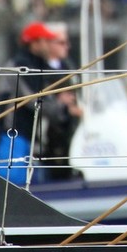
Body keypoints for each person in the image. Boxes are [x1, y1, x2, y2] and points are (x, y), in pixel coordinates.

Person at [0, 21, 60, 185]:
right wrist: (61, 109)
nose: (49, 45)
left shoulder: (40, 66)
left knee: (26, 179)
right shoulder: (19, 66)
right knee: (11, 182)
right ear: (34, 43)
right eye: (46, 41)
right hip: (13, 132)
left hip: (29, 134)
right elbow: (30, 98)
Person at [41, 21, 83, 181]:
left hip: (70, 128)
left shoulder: (68, 66)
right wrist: (58, 100)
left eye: (67, 42)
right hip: (50, 133)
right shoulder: (40, 67)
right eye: (61, 42)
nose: (67, 46)